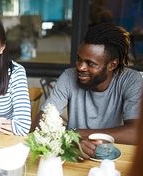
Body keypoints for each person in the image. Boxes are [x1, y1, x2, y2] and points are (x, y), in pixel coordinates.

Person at [35, 23, 143, 161]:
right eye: (79, 59)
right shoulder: (69, 76)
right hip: (75, 157)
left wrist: (75, 134)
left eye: (90, 63)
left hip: (113, 159)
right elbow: (40, 126)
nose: (80, 67)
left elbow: (135, 133)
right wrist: (70, 141)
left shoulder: (130, 80)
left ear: (112, 65)